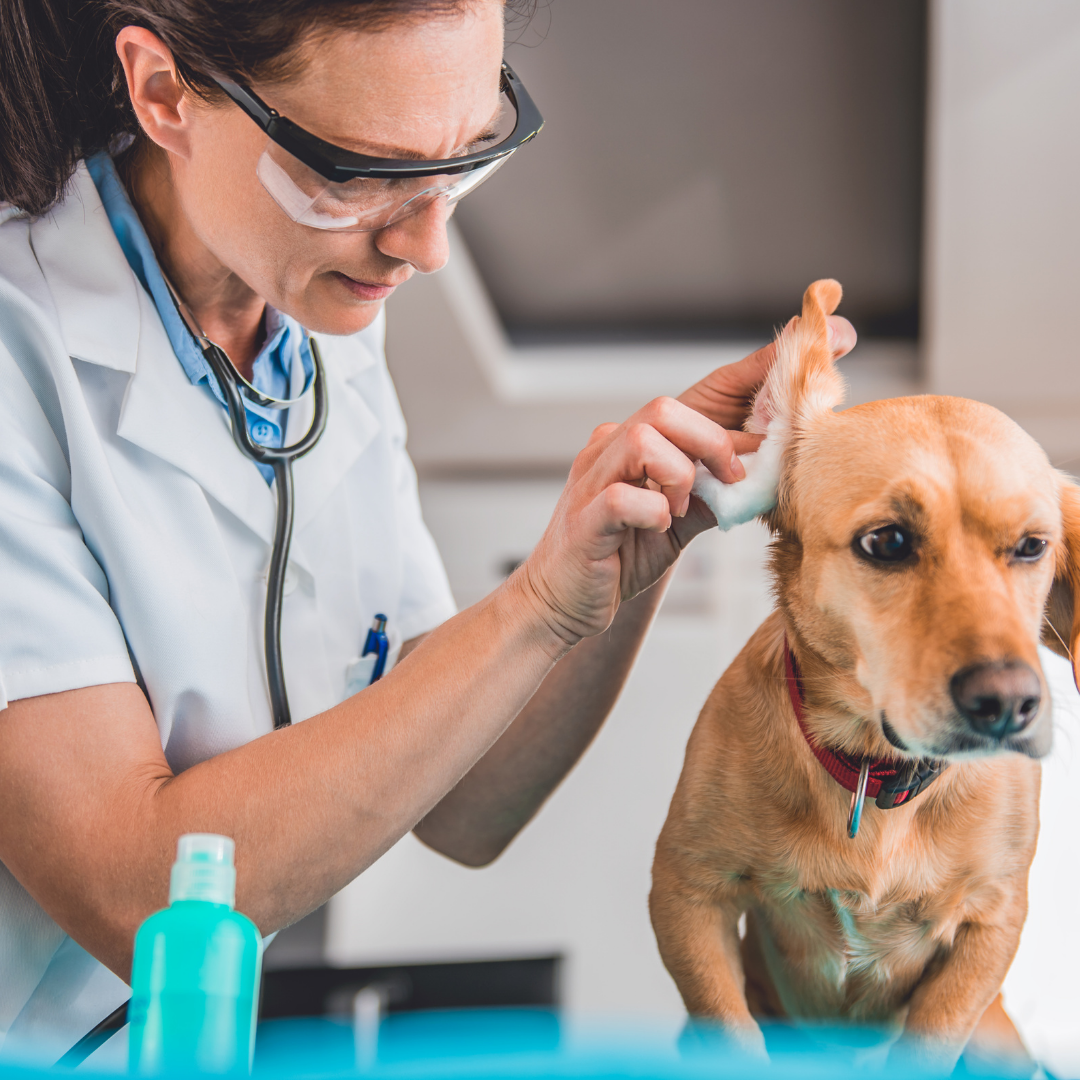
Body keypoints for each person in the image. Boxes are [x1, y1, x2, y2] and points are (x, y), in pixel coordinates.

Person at [0, 0, 854, 1060]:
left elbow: (467, 808)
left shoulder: (320, 318)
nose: (429, 244)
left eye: (465, 158)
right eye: (358, 174)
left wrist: (632, 551)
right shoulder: (17, 361)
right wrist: (532, 605)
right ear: (165, 94)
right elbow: (140, 900)